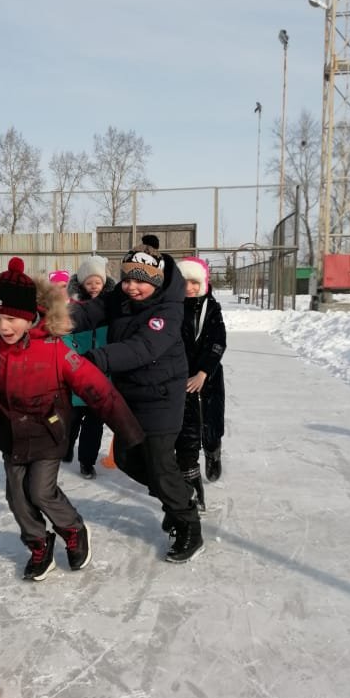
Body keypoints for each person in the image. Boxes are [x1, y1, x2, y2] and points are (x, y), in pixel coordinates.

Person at [0, 257, 144, 581]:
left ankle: (73, 529)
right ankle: (38, 542)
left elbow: (96, 388)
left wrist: (129, 432)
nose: (3, 326)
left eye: (11, 318)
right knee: (16, 496)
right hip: (10, 429)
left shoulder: (53, 346)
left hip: (49, 429)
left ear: (29, 315)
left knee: (40, 491)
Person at [68, 235, 204, 563]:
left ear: (156, 282)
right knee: (128, 459)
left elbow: (143, 349)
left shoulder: (169, 310)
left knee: (159, 462)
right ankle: (178, 496)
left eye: (139, 282)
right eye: (126, 279)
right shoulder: (119, 297)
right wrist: (55, 320)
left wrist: (93, 359)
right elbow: (89, 313)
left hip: (161, 397)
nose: (131, 287)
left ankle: (188, 524)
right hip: (129, 394)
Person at [174, 257, 227, 503]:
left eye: (195, 282)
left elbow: (218, 341)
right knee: (188, 428)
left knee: (210, 421)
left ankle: (213, 450)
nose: (190, 288)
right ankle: (190, 473)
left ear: (203, 282)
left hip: (209, 376)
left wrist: (204, 372)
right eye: (185, 282)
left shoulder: (212, 308)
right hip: (183, 378)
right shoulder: (173, 307)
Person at [64, 255, 115, 477]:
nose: (94, 286)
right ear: (82, 284)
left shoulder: (112, 306)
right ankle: (65, 448)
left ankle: (87, 461)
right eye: (89, 282)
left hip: (102, 374)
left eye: (98, 281)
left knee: (94, 423)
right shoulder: (73, 308)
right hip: (78, 373)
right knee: (72, 419)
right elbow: (64, 337)